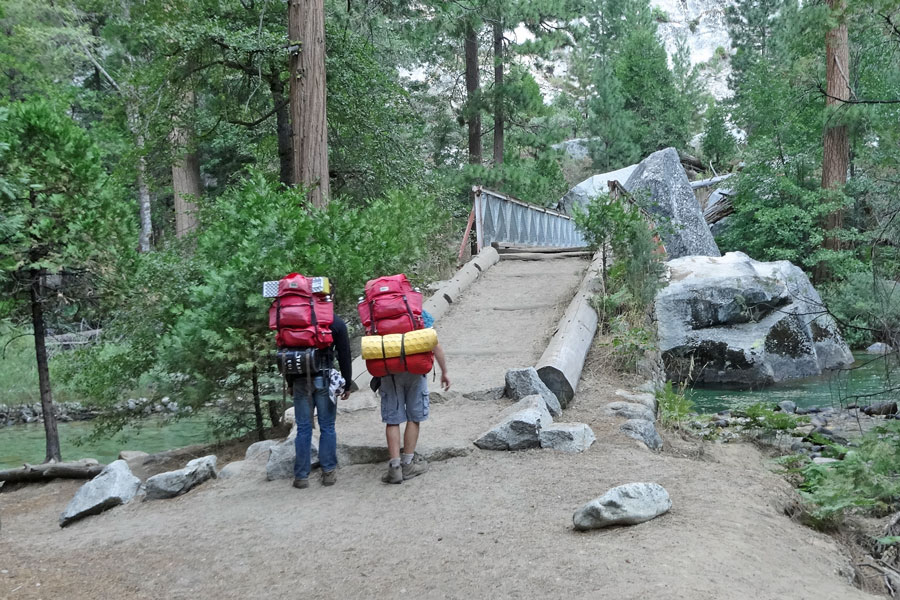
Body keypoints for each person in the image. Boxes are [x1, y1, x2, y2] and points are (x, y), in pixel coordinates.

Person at [380, 310, 450, 484]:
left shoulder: (380, 314)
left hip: (389, 371)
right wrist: (444, 372)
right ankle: (408, 463)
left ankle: (395, 468)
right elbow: (435, 345)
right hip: (416, 370)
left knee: (393, 419)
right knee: (413, 417)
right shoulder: (418, 313)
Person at [289, 314, 352, 489]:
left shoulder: (295, 319)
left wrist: (290, 382)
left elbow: (289, 352)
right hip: (325, 378)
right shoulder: (334, 321)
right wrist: (347, 383)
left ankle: (301, 476)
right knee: (327, 426)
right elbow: (344, 354)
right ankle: (328, 473)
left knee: (303, 428)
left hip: (299, 379)